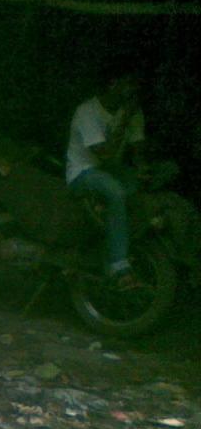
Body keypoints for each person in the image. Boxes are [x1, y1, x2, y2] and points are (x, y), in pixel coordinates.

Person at [66, 68, 145, 284]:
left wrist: (143, 168)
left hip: (110, 172)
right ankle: (118, 264)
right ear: (113, 84)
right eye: (128, 83)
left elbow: (138, 146)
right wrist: (125, 118)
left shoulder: (133, 111)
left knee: (151, 179)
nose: (134, 89)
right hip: (83, 172)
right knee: (115, 190)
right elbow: (106, 154)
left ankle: (109, 216)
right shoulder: (87, 112)